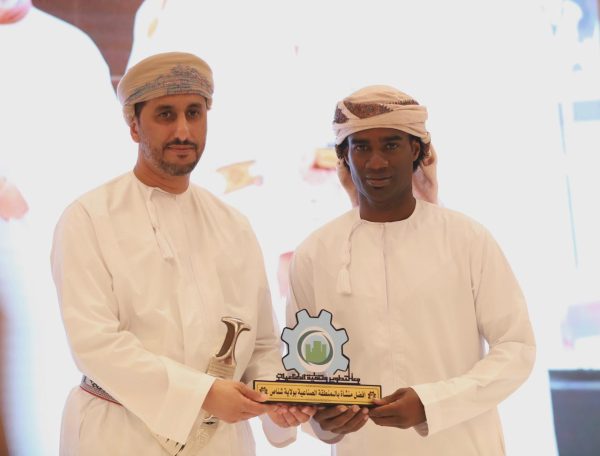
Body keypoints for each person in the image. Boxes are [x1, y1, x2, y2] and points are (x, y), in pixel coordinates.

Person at [50, 51, 310, 456]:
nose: (184, 131)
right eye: (166, 115)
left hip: (222, 442)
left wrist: (278, 399)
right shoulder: (89, 218)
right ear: (134, 126)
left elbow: (260, 344)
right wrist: (203, 394)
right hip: (118, 435)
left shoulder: (234, 225)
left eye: (194, 113)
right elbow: (94, 343)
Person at [286, 85, 536, 455]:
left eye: (390, 145)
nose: (376, 162)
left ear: (416, 150)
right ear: (345, 156)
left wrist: (431, 404)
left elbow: (516, 348)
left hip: (462, 446)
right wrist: (321, 423)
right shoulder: (315, 253)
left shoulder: (466, 239)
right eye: (361, 147)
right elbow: (304, 371)